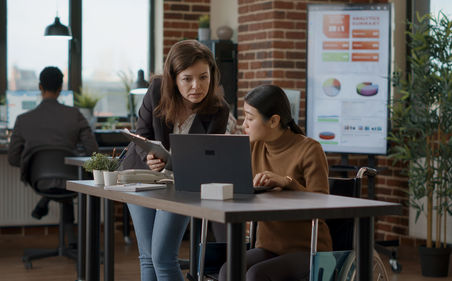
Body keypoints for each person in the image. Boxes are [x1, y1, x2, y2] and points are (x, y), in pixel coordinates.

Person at [120, 40, 230, 281]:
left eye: (203, 77)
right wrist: (149, 155)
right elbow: (142, 133)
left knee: (163, 257)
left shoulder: (219, 109)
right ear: (173, 77)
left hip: (182, 183)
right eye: (187, 78)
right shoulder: (158, 89)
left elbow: (208, 156)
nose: (196, 86)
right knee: (148, 257)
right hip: (142, 175)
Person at [218, 84, 332, 281]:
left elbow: (322, 205)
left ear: (273, 121)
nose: (244, 124)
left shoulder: (310, 150)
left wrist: (287, 182)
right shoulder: (253, 147)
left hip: (310, 249)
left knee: (257, 275)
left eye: (250, 118)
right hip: (269, 247)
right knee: (228, 270)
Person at [8, 66, 98, 243]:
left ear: (40, 87)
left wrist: (33, 163)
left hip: (39, 179)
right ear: (61, 88)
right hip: (72, 179)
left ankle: (45, 201)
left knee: (59, 179)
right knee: (70, 179)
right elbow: (93, 152)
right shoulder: (75, 115)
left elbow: (12, 158)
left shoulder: (23, 120)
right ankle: (74, 240)